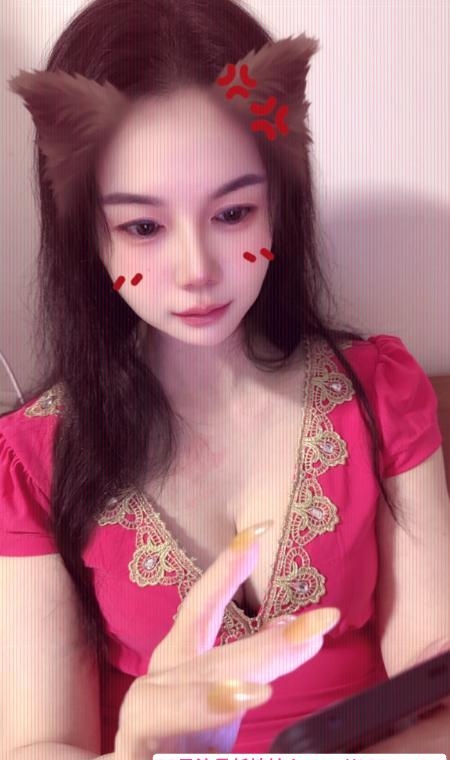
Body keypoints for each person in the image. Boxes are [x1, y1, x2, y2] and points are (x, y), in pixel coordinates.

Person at [1, 0, 449, 757]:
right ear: (88, 233)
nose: (198, 271)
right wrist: (137, 751)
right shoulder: (33, 459)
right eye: (143, 226)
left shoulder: (381, 393)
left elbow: (433, 680)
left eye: (234, 213)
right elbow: (40, 742)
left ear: (279, 203)